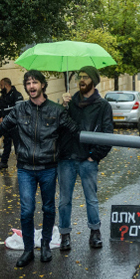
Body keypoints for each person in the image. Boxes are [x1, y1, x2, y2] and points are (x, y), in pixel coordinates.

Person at [0, 70, 79, 267]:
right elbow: (3, 127)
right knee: (26, 211)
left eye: (35, 82)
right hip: (25, 168)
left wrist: (68, 107)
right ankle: (28, 250)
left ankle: (44, 245)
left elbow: (73, 130)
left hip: (48, 167)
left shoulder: (56, 110)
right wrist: (18, 142)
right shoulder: (20, 109)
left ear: (43, 85)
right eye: (28, 83)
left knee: (48, 208)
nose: (31, 86)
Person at [58, 66, 113, 251]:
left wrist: (94, 156)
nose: (81, 80)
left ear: (93, 81)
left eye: (85, 77)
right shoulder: (70, 102)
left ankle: (95, 233)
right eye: (79, 77)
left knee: (91, 199)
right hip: (66, 158)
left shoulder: (103, 106)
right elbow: (60, 128)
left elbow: (108, 136)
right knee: (64, 200)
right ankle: (64, 235)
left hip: (87, 160)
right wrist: (62, 107)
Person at [0, 78, 23, 170]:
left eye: (1, 85)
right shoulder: (2, 98)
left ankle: (21, 163)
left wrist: (9, 120)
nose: (0, 87)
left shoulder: (17, 96)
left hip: (15, 126)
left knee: (18, 146)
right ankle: (3, 162)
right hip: (6, 126)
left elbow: (19, 111)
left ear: (6, 85)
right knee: (6, 145)